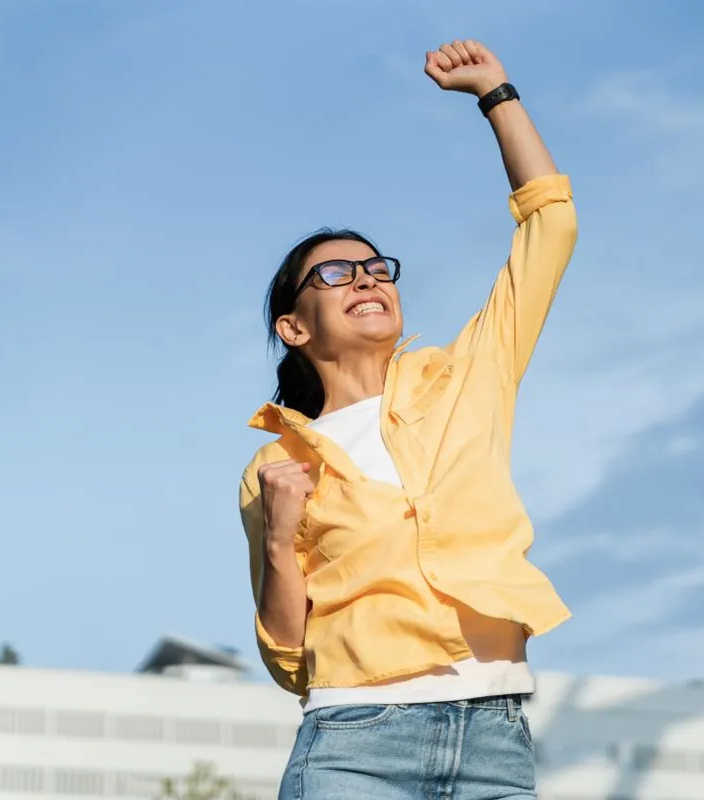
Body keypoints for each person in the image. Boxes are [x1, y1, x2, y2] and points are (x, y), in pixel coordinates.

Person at [239, 39, 577, 800]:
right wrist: (280, 536)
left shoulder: (469, 377)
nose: (363, 276)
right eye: (333, 272)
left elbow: (549, 228)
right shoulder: (275, 467)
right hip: (351, 744)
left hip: (495, 740)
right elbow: (289, 656)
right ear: (295, 327)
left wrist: (497, 94)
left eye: (374, 267)